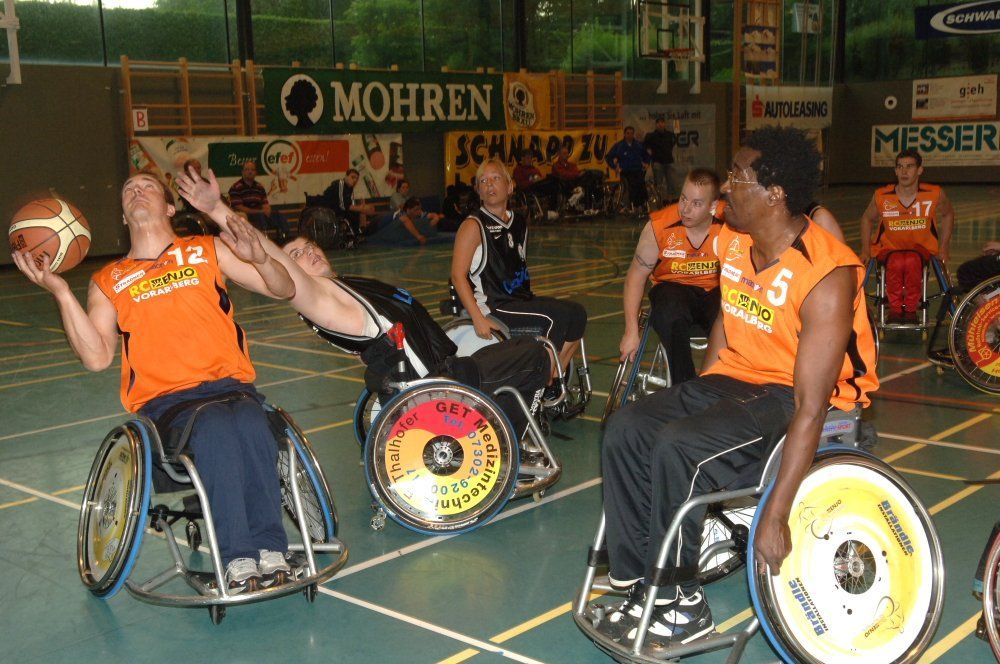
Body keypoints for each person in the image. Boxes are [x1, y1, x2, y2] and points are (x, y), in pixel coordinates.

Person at [597, 126, 879, 650]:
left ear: (775, 194)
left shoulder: (826, 273)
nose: (725, 187)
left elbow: (812, 406)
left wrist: (776, 513)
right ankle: (643, 582)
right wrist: (703, 392)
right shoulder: (736, 244)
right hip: (736, 378)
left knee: (680, 445)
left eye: (737, 177)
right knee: (626, 427)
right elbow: (727, 320)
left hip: (797, 397)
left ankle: (683, 605)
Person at [11, 171, 299, 593]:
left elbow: (284, 289)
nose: (137, 191)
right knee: (216, 428)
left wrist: (261, 258)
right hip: (170, 405)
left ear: (168, 207)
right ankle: (237, 558)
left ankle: (271, 549)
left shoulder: (207, 249)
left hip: (232, 388)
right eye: (128, 190)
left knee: (253, 423)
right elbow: (96, 357)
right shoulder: (108, 280)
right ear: (123, 216)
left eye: (147, 186)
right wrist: (60, 291)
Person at [175, 165, 552, 438]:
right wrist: (216, 208)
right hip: (438, 388)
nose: (309, 252)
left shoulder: (344, 288)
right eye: (297, 254)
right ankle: (506, 444)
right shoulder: (318, 297)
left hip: (444, 371)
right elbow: (276, 267)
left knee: (518, 348)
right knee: (536, 354)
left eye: (310, 246)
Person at [450, 158, 588, 380]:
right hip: (495, 305)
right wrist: (477, 317)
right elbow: (458, 275)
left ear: (510, 186)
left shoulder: (520, 222)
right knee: (557, 318)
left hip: (521, 299)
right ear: (478, 191)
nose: (489, 184)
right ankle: (542, 382)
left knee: (577, 313)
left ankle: (554, 377)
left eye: (495, 178)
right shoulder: (473, 225)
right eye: (483, 181)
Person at [619, 169, 725, 386]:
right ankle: (684, 386)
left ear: (713, 206)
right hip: (673, 288)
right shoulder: (659, 226)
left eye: (696, 203)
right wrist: (631, 331)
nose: (685, 209)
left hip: (716, 290)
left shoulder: (731, 222)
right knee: (670, 311)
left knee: (731, 316)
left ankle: (719, 385)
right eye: (683, 199)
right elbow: (635, 277)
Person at [859, 148, 955, 321]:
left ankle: (910, 310)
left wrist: (944, 246)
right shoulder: (882, 195)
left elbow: (948, 214)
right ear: (895, 170)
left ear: (920, 170)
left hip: (921, 249)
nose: (904, 171)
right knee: (897, 262)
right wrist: (865, 250)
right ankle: (895, 310)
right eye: (900, 167)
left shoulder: (934, 194)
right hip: (889, 248)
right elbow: (867, 218)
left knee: (910, 261)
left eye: (909, 166)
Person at [227, 160, 291, 242]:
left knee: (278, 215)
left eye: (252, 170)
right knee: (260, 216)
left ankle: (284, 238)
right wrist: (260, 211)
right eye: (247, 169)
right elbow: (239, 207)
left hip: (261, 213)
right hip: (246, 216)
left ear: (256, 173)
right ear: (242, 172)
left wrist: (267, 210)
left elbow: (265, 204)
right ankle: (264, 239)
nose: (250, 172)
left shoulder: (259, 187)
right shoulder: (236, 187)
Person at [368, 197, 449, 247]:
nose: (419, 212)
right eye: (416, 210)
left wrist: (436, 218)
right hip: (377, 225)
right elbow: (405, 220)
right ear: (408, 210)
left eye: (419, 209)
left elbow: (433, 215)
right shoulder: (401, 213)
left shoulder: (418, 212)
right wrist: (419, 236)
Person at [606, 126, 651, 211]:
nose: (630, 135)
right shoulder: (619, 146)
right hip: (626, 171)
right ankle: (632, 204)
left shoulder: (638, 145)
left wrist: (647, 163)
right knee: (631, 185)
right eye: (628, 133)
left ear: (633, 134)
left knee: (641, 185)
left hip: (637, 170)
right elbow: (609, 157)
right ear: (624, 134)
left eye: (631, 133)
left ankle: (643, 204)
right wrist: (614, 167)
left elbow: (646, 155)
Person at [322, 168, 377, 236]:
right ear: (346, 176)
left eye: (356, 179)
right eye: (352, 177)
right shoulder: (340, 183)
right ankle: (356, 234)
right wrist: (360, 208)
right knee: (355, 212)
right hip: (329, 209)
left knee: (356, 213)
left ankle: (357, 233)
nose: (355, 180)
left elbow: (352, 203)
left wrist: (361, 208)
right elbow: (342, 205)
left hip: (339, 210)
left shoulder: (350, 188)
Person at [551, 145, 602, 215]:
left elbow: (574, 173)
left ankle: (590, 207)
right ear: (559, 154)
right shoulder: (556, 166)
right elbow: (564, 175)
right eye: (564, 153)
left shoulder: (572, 165)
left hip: (576, 183)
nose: (566, 155)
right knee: (587, 177)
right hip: (565, 186)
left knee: (589, 180)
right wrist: (577, 175)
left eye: (567, 153)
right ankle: (590, 206)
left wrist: (577, 174)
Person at [644, 117, 678, 204]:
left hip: (669, 161)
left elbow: (673, 143)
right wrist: (649, 152)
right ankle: (661, 201)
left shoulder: (670, 134)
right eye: (658, 123)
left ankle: (671, 200)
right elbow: (645, 146)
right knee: (659, 183)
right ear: (656, 125)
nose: (660, 124)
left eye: (662, 122)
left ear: (664, 124)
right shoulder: (651, 136)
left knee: (671, 182)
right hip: (657, 162)